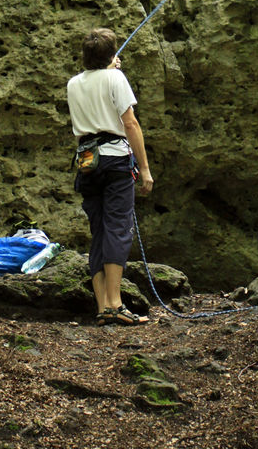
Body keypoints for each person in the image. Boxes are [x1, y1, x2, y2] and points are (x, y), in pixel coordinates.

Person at [67, 27, 154, 326]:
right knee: (118, 227)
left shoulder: (73, 84)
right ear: (110, 54)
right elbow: (130, 124)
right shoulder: (116, 77)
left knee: (100, 231)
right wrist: (144, 169)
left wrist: (107, 69)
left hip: (87, 162)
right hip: (115, 161)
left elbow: (93, 90)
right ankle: (116, 304)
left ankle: (103, 306)